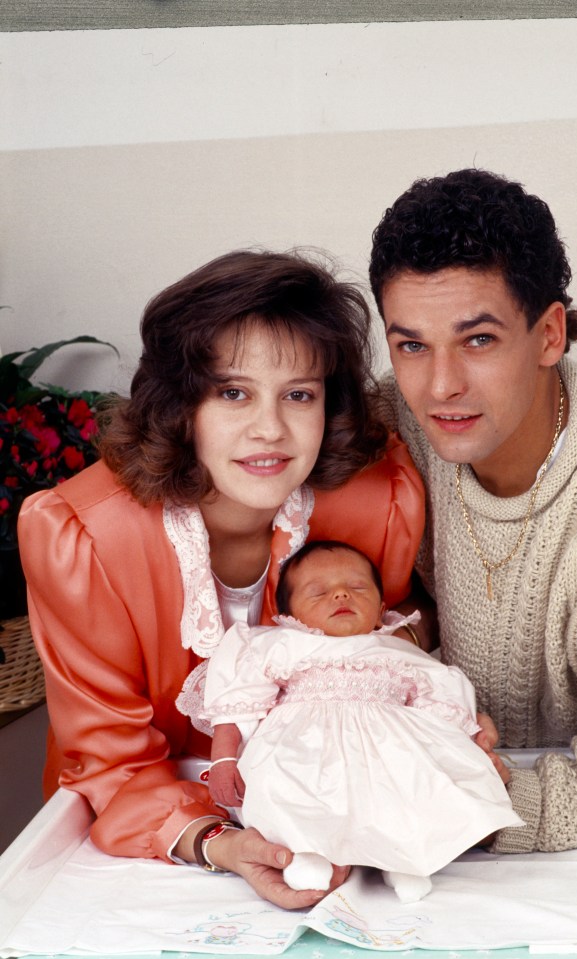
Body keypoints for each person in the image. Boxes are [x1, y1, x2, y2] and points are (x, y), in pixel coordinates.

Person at [18, 249, 426, 909]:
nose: (270, 428)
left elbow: (392, 643)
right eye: (232, 391)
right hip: (151, 836)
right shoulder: (82, 538)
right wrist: (220, 843)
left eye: (299, 394)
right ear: (181, 405)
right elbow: (110, 763)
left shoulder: (379, 500)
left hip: (338, 809)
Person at [369, 168, 577, 856]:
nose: (440, 385)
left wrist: (478, 805)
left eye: (478, 340)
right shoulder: (388, 420)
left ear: (548, 335)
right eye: (411, 344)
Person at [187, 540, 522, 904]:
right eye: (318, 592)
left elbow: (439, 697)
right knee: (285, 786)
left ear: (381, 610)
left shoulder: (397, 650)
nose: (341, 594)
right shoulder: (282, 645)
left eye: (358, 588)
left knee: (409, 785)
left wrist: (467, 742)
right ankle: (307, 853)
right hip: (302, 748)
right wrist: (224, 760)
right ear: (289, 616)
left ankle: (405, 859)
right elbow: (237, 706)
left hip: (385, 746)